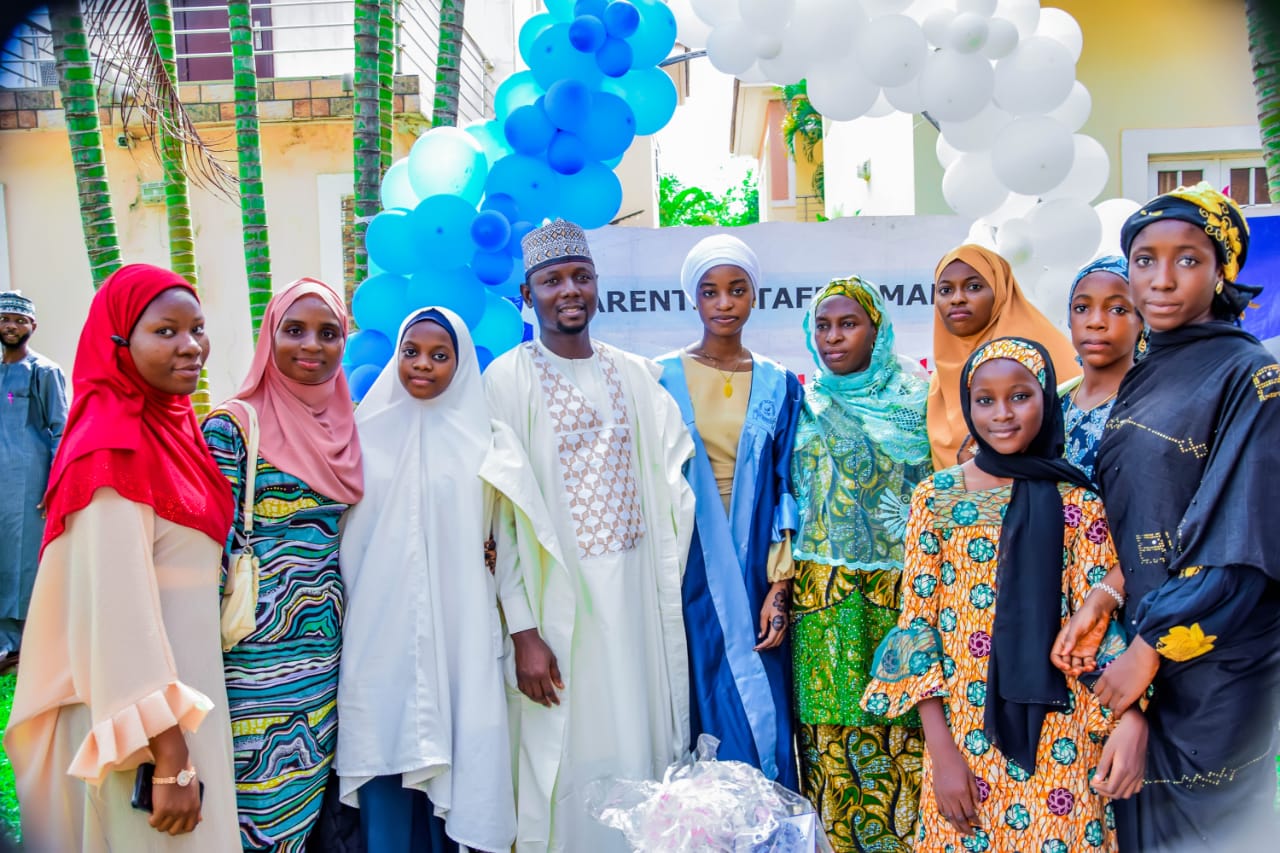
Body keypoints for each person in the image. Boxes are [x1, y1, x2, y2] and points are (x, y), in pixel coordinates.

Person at [1055, 183, 1280, 852]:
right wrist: (1107, 594)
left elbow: (1243, 541)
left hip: (1220, 663)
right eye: (1145, 259)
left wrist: (1150, 651)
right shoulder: (1153, 367)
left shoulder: (1251, 377)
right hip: (1144, 642)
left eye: (1187, 260)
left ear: (1222, 270)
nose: (1160, 279)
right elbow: (1147, 511)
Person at [861, 337, 1148, 853]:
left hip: (1064, 737)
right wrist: (942, 755)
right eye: (985, 399)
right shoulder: (937, 497)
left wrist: (1132, 719)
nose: (1002, 414)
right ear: (968, 406)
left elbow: (1101, 628)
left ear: (1047, 399)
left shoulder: (1078, 501)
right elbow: (916, 627)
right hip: (964, 738)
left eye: (1020, 396)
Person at [5, 264, 239, 850]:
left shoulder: (174, 431)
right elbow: (118, 617)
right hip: (136, 729)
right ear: (118, 342)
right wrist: (172, 759)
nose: (191, 347)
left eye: (198, 329)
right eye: (165, 332)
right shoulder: (110, 448)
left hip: (186, 700)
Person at [483, 220, 695, 852]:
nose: (568, 291)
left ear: (597, 286)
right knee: (565, 756)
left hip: (635, 607)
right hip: (555, 612)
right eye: (552, 281)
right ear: (529, 294)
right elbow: (501, 520)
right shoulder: (508, 380)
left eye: (581, 277)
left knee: (641, 741)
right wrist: (523, 630)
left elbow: (672, 495)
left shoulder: (634, 376)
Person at [335, 307, 515, 853]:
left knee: (456, 757)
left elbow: (503, 538)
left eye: (440, 356)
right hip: (376, 630)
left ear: (460, 365)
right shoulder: (362, 432)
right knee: (385, 748)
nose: (423, 365)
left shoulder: (485, 439)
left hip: (458, 628)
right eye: (411, 351)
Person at [202, 279, 363, 851]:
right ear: (270, 336)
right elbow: (209, 553)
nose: (312, 346)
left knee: (306, 806)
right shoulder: (232, 427)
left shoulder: (349, 426)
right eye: (294, 331)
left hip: (324, 659)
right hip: (253, 663)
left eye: (328, 333)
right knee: (255, 807)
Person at [790, 277, 932, 851]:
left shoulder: (920, 401)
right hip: (820, 601)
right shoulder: (804, 403)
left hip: (901, 599)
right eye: (822, 325)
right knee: (826, 743)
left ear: (878, 329)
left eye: (848, 323)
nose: (832, 337)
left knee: (906, 736)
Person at [655, 234, 802, 789]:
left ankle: (766, 827)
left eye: (736, 290)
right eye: (710, 291)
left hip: (753, 569)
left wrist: (779, 588)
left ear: (753, 297)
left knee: (757, 698)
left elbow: (790, 489)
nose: (724, 303)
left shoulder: (779, 384)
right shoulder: (659, 376)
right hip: (683, 564)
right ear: (693, 298)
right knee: (690, 693)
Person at [927, 245, 1079, 469]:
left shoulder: (1036, 357)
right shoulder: (939, 381)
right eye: (945, 290)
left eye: (974, 286)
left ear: (1000, 291)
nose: (957, 298)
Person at [0, 290, 67, 671]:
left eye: (19, 320)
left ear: (32, 326)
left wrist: (55, 482)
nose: (11, 326)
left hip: (30, 480)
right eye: (5, 319)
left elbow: (60, 429)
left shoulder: (45, 371)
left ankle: (24, 640)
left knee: (24, 555)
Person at [1058, 257, 1142, 480]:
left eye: (1117, 309)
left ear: (1142, 320)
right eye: (1082, 308)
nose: (1095, 322)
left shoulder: (1152, 407)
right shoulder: (1051, 402)